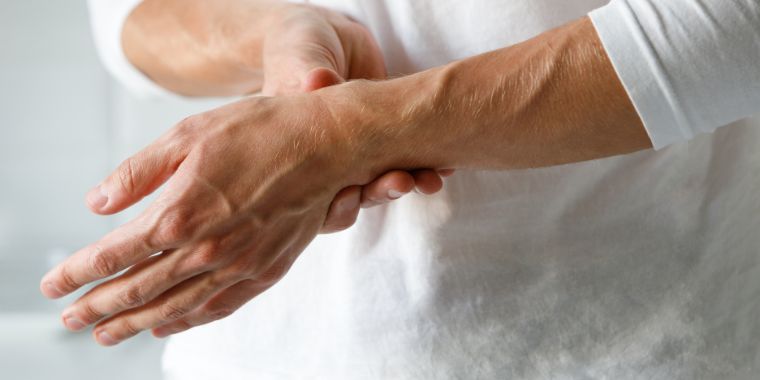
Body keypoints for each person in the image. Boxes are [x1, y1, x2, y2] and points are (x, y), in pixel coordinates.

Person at [42, 0, 760, 378]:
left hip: (626, 346)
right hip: (251, 359)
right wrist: (278, 31)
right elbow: (128, 14)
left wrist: (350, 135)